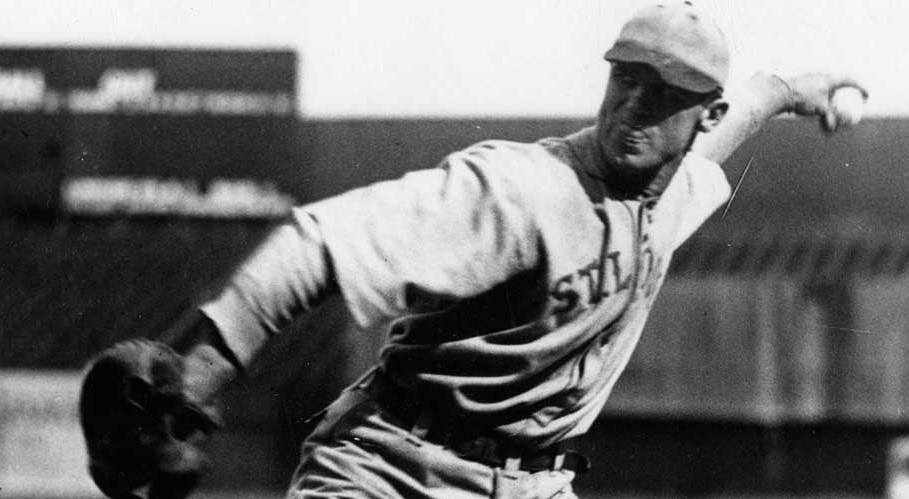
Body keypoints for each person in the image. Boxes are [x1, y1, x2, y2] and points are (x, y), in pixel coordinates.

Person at [83, 2, 868, 498]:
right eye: (624, 79)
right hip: (394, 466)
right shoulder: (517, 187)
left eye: (663, 94)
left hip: (535, 482)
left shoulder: (674, 194)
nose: (633, 104)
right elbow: (318, 242)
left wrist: (797, 89)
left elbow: (744, 111)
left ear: (701, 113)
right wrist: (193, 379)